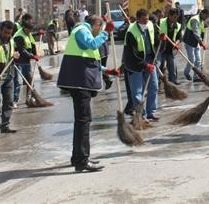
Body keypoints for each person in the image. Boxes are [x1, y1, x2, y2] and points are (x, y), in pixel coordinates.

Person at [56, 14, 112, 172]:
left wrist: (106, 70)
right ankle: (82, 160)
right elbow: (92, 45)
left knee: (82, 120)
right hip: (79, 83)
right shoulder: (81, 30)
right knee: (83, 120)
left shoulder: (81, 31)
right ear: (94, 25)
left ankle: (77, 157)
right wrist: (105, 33)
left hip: (81, 81)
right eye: (98, 27)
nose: (99, 30)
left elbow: (88, 59)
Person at [122, 9, 159, 122]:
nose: (146, 22)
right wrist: (144, 65)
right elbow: (132, 55)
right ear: (138, 19)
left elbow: (155, 41)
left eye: (147, 19)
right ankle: (141, 115)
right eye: (143, 20)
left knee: (154, 86)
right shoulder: (131, 32)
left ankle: (151, 112)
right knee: (137, 92)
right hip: (134, 63)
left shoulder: (151, 25)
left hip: (149, 59)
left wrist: (161, 39)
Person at [12, 14, 40, 106]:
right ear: (24, 28)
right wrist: (33, 56)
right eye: (29, 30)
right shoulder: (18, 36)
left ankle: (29, 98)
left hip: (27, 62)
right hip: (18, 62)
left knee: (30, 80)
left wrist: (38, 33)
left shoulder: (28, 33)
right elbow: (22, 50)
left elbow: (32, 43)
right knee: (18, 82)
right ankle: (14, 101)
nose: (30, 32)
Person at [182, 9, 209, 82]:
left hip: (196, 42)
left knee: (198, 60)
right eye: (206, 16)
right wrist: (201, 42)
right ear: (203, 13)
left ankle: (196, 77)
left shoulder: (202, 21)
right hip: (189, 42)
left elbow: (202, 32)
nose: (206, 18)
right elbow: (196, 32)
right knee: (192, 60)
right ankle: (186, 73)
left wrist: (202, 42)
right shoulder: (195, 19)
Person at [158, 8, 182, 84]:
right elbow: (154, 33)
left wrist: (177, 43)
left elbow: (179, 37)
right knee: (160, 67)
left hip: (171, 49)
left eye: (177, 17)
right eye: (174, 17)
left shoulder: (178, 25)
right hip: (161, 49)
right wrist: (160, 37)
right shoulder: (161, 22)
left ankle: (173, 82)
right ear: (169, 15)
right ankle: (159, 83)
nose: (176, 19)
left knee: (173, 66)